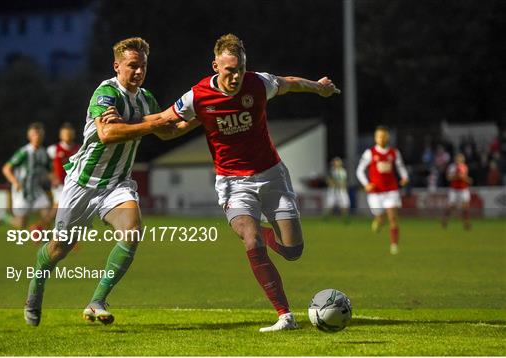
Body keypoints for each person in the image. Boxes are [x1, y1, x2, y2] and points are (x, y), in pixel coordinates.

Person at [101, 33, 340, 331]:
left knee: (292, 251)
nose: (235, 76)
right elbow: (164, 120)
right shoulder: (198, 95)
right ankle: (284, 315)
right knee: (250, 241)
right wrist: (125, 124)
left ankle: (266, 236)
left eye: (239, 68)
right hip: (232, 183)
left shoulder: (258, 83)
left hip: (272, 175)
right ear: (215, 66)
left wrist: (319, 88)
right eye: (229, 70)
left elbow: (289, 82)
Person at [23, 37, 179, 326]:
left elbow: (166, 130)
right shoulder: (106, 92)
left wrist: (204, 116)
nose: (138, 72)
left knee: (132, 232)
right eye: (132, 65)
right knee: (60, 248)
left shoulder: (146, 98)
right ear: (117, 65)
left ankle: (97, 301)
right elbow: (108, 134)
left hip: (117, 185)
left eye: (143, 66)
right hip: (83, 183)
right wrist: (151, 124)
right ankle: (36, 283)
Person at [356, 126, 409, 255]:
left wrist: (405, 177)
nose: (381, 138)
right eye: (379, 136)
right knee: (380, 217)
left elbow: (400, 166)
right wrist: (366, 184)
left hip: (391, 189)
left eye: (384, 136)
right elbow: (359, 170)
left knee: (393, 217)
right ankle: (378, 221)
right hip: (375, 192)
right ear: (375, 138)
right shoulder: (370, 153)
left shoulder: (394, 152)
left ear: (387, 137)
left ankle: (394, 245)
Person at [0, 122, 52, 229]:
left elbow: (49, 172)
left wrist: (55, 180)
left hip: (37, 190)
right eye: (34, 134)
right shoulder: (24, 152)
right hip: (22, 191)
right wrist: (15, 182)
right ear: (29, 136)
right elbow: (6, 169)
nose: (37, 136)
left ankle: (43, 238)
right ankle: (4, 217)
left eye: (39, 134)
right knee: (21, 224)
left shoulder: (44, 153)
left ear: (43, 136)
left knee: (48, 216)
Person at [442, 153, 472, 230]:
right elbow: (448, 178)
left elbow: (464, 178)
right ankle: (445, 220)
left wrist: (467, 179)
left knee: (465, 207)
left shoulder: (464, 167)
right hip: (454, 190)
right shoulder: (452, 167)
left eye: (461, 159)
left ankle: (466, 223)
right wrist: (457, 176)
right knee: (451, 206)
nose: (459, 160)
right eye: (458, 159)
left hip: (463, 189)